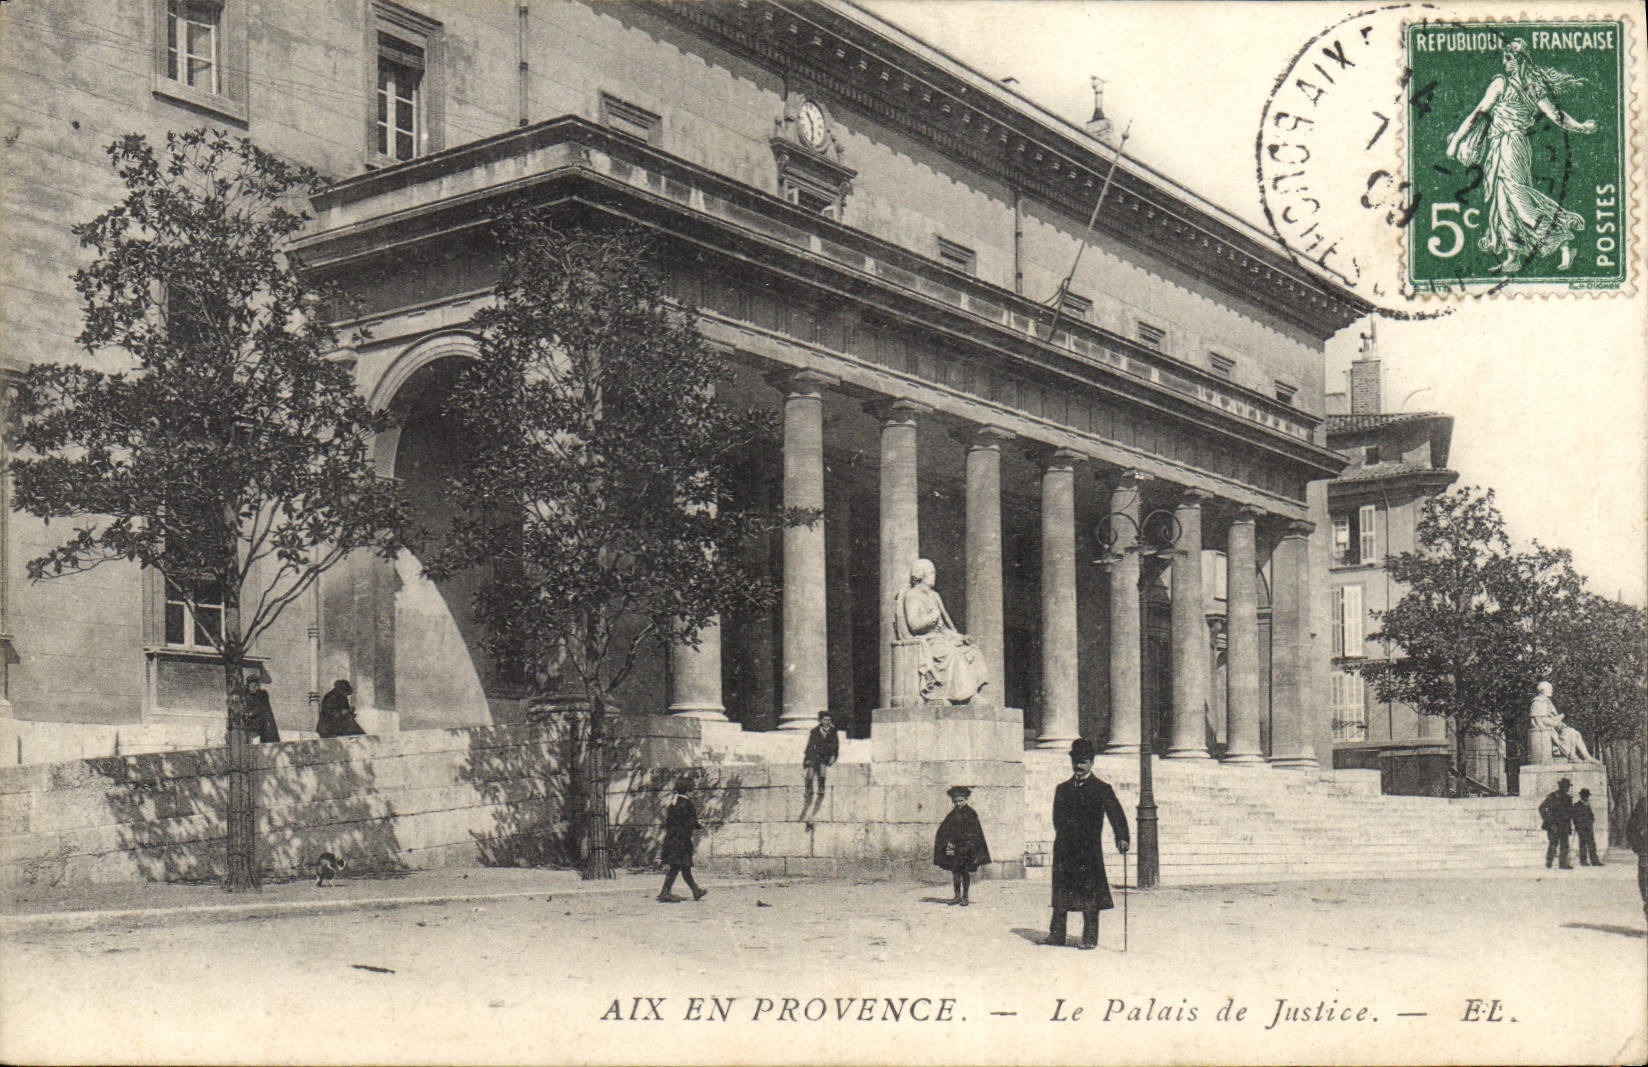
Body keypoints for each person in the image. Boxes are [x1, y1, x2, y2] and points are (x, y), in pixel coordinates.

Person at [1445, 38, 1597, 274]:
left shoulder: (1528, 86)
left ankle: (1564, 240)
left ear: (1519, 60)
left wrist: (1581, 127)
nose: (1504, 63)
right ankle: (1513, 256)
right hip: (1497, 147)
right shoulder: (1503, 84)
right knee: (1502, 203)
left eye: (1508, 58)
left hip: (1513, 145)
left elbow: (1556, 115)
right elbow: (1478, 113)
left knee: (1519, 201)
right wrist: (1456, 141)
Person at [1043, 738, 1129, 949]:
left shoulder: (1102, 789)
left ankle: (1089, 939)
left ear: (1091, 762)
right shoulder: (1062, 789)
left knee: (1090, 895)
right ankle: (1057, 935)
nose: (1078, 766)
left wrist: (1122, 837)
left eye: (1083, 762)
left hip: (1088, 850)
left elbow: (1116, 814)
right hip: (1065, 848)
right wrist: (1066, 835)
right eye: (1075, 761)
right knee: (1061, 894)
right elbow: (1057, 818)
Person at [894, 558, 987, 704]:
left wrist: (961, 637)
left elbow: (944, 628)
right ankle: (964, 696)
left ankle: (971, 694)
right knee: (952, 653)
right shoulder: (913, 595)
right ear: (920, 575)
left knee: (972, 651)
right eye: (931, 573)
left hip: (942, 639)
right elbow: (914, 625)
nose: (934, 576)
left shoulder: (934, 596)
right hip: (928, 641)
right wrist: (932, 617)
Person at [932, 785, 991, 907]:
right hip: (956, 848)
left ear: (966, 800)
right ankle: (957, 896)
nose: (958, 804)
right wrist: (947, 841)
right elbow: (944, 829)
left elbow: (975, 832)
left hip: (967, 849)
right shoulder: (953, 814)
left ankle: (965, 897)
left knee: (965, 873)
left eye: (961, 801)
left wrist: (972, 847)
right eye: (956, 801)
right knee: (955, 872)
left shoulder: (971, 814)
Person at [658, 778, 706, 903]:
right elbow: (690, 822)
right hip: (682, 841)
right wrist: (699, 824)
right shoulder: (687, 804)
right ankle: (665, 892)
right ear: (688, 791)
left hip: (672, 839)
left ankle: (695, 890)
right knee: (678, 867)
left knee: (684, 867)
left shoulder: (673, 803)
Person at [1529, 681, 1594, 762]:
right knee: (1571, 732)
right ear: (1542, 690)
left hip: (1554, 731)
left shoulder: (1546, 701)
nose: (1552, 690)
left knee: (1575, 733)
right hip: (1549, 733)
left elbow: (1550, 718)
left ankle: (1586, 756)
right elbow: (1542, 720)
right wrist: (1558, 723)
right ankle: (1572, 756)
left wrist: (1559, 718)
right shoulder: (1538, 702)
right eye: (1549, 688)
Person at [801, 711, 839, 822]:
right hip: (815, 754)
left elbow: (835, 745)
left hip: (825, 755)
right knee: (811, 770)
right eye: (825, 720)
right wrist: (807, 758)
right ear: (820, 721)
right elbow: (809, 745)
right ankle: (809, 788)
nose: (827, 722)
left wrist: (833, 756)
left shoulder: (832, 731)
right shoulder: (814, 731)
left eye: (829, 720)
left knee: (822, 770)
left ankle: (821, 787)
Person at [1538, 777, 1574, 870]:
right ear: (1561, 787)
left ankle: (1563, 864)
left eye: (1568, 787)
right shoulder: (1552, 796)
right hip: (1553, 824)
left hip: (1564, 825)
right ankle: (1549, 862)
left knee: (1565, 844)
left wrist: (1570, 826)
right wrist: (1548, 821)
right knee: (1553, 843)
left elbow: (1570, 813)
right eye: (1566, 786)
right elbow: (1541, 808)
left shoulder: (1568, 798)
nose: (1567, 789)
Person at [1625, 792, 1648, 925]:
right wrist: (1638, 846)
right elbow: (1631, 828)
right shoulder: (1643, 804)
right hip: (1646, 851)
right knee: (1645, 885)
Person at [243, 670, 280, 744]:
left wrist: (250, 713)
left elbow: (261, 707)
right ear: (248, 685)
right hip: (251, 724)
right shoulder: (246, 695)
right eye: (253, 685)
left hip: (263, 723)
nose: (256, 687)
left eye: (257, 685)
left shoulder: (262, 694)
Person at [1572, 788, 1602, 867]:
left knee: (1592, 844)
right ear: (1581, 796)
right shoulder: (1576, 805)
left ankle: (1594, 861)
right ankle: (1583, 861)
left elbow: (1591, 815)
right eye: (1585, 796)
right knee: (1582, 845)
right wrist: (1578, 825)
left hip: (1589, 827)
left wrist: (1591, 821)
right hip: (1581, 828)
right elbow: (1574, 817)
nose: (1586, 798)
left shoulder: (1587, 805)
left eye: (1587, 796)